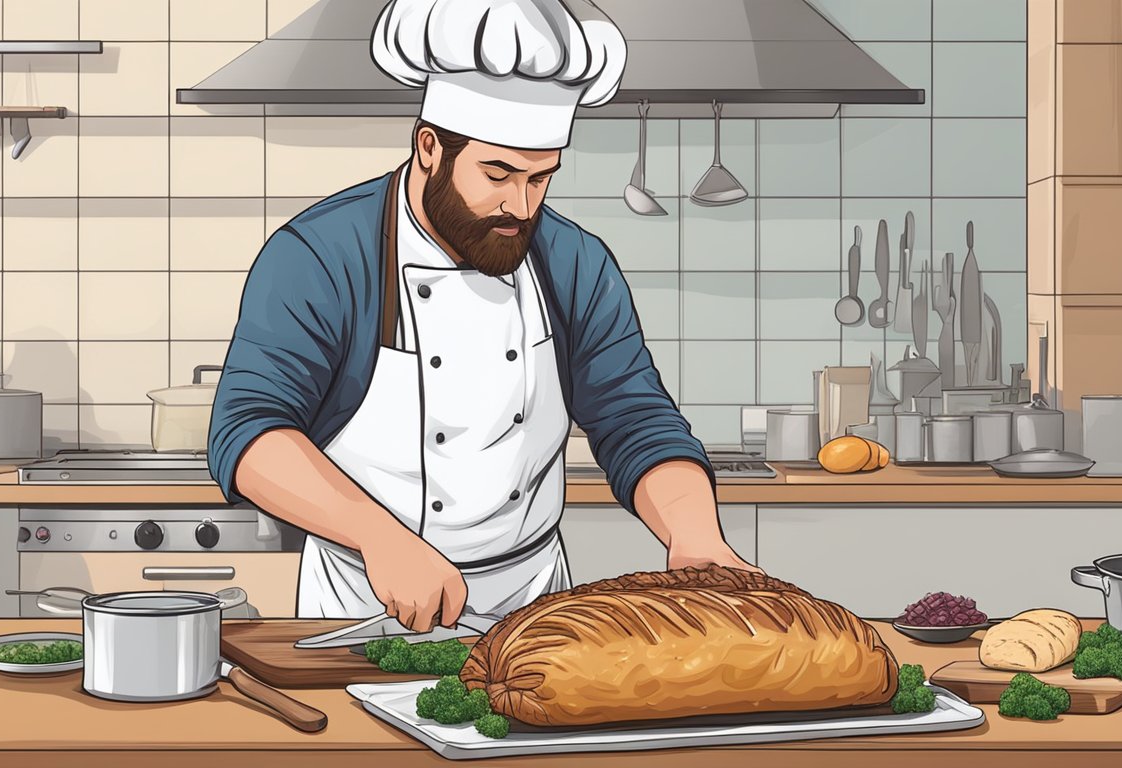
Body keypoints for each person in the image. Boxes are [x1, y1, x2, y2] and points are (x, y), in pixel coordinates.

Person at [208, 0, 759, 633]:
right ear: (429, 149)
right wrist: (379, 538)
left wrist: (695, 535)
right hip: (368, 598)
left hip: (531, 601)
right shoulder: (322, 254)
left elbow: (635, 417)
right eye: (497, 173)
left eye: (540, 178)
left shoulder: (574, 261)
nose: (520, 206)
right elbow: (248, 431)